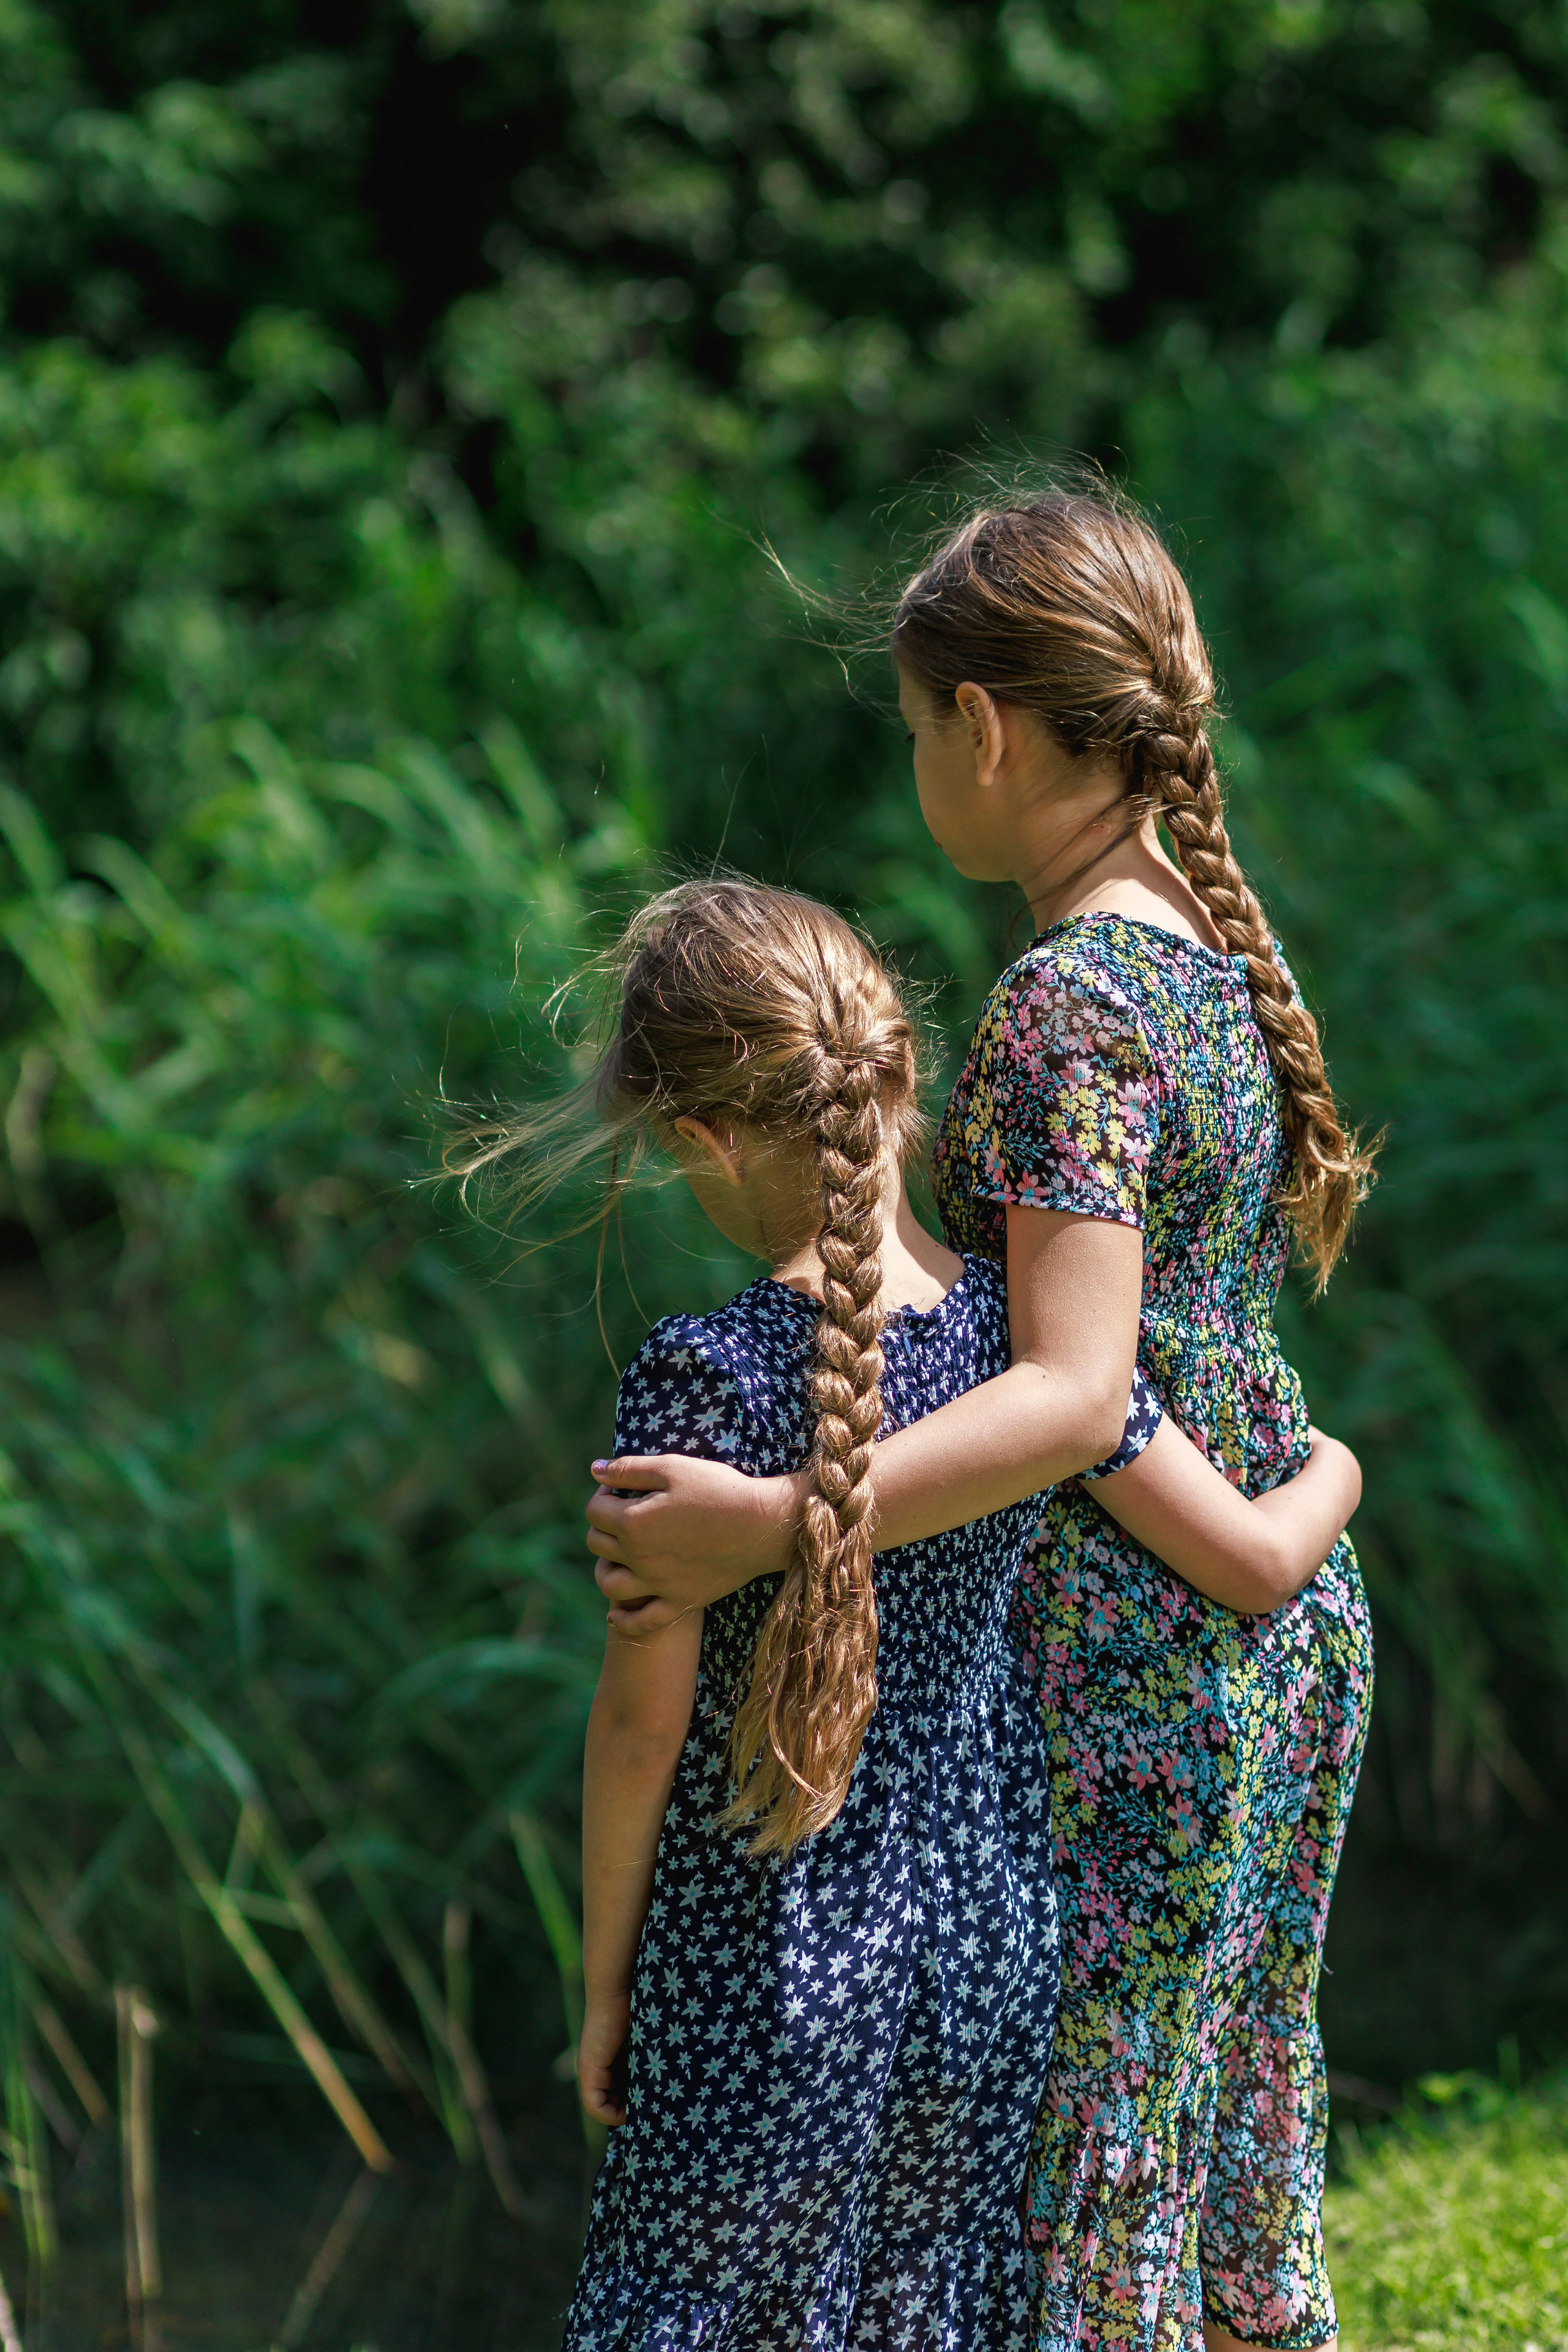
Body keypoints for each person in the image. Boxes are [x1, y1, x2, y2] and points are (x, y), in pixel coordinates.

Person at [584, 494, 1377, 2352]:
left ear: (986, 728)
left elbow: (1077, 1395)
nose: (920, 769)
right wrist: (1314, 1499)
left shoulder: (1064, 1007)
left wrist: (779, 1519)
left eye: (915, 728)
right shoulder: (1210, 957)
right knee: (1234, 2158)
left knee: (1105, 2221)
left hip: (1147, 1660)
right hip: (1280, 1637)